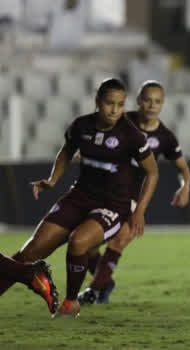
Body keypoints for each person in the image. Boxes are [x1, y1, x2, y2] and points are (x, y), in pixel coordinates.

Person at [0, 78, 159, 318]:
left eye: (120, 104)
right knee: (28, 253)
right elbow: (67, 151)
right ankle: (32, 277)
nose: (115, 110)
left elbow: (153, 172)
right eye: (109, 103)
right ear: (98, 102)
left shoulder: (131, 135)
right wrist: (52, 180)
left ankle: (71, 303)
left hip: (113, 205)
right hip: (79, 196)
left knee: (79, 242)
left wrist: (139, 212)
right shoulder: (81, 126)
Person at [78, 80, 190, 305]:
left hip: (132, 198)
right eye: (148, 100)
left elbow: (182, 167)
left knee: (119, 241)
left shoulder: (165, 137)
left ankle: (94, 290)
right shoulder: (122, 121)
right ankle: (104, 282)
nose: (152, 105)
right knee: (87, 246)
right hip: (104, 192)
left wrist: (185, 185)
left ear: (162, 105)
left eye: (157, 101)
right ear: (139, 100)